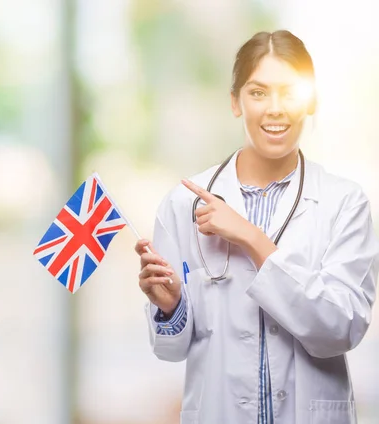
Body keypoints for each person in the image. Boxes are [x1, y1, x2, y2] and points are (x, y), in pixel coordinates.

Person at [135, 30, 379, 424]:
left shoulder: (343, 203)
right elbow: (170, 350)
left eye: (289, 92)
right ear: (236, 102)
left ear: (312, 100)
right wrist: (169, 306)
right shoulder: (183, 204)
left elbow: (340, 329)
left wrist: (250, 237)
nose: (275, 109)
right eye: (258, 92)